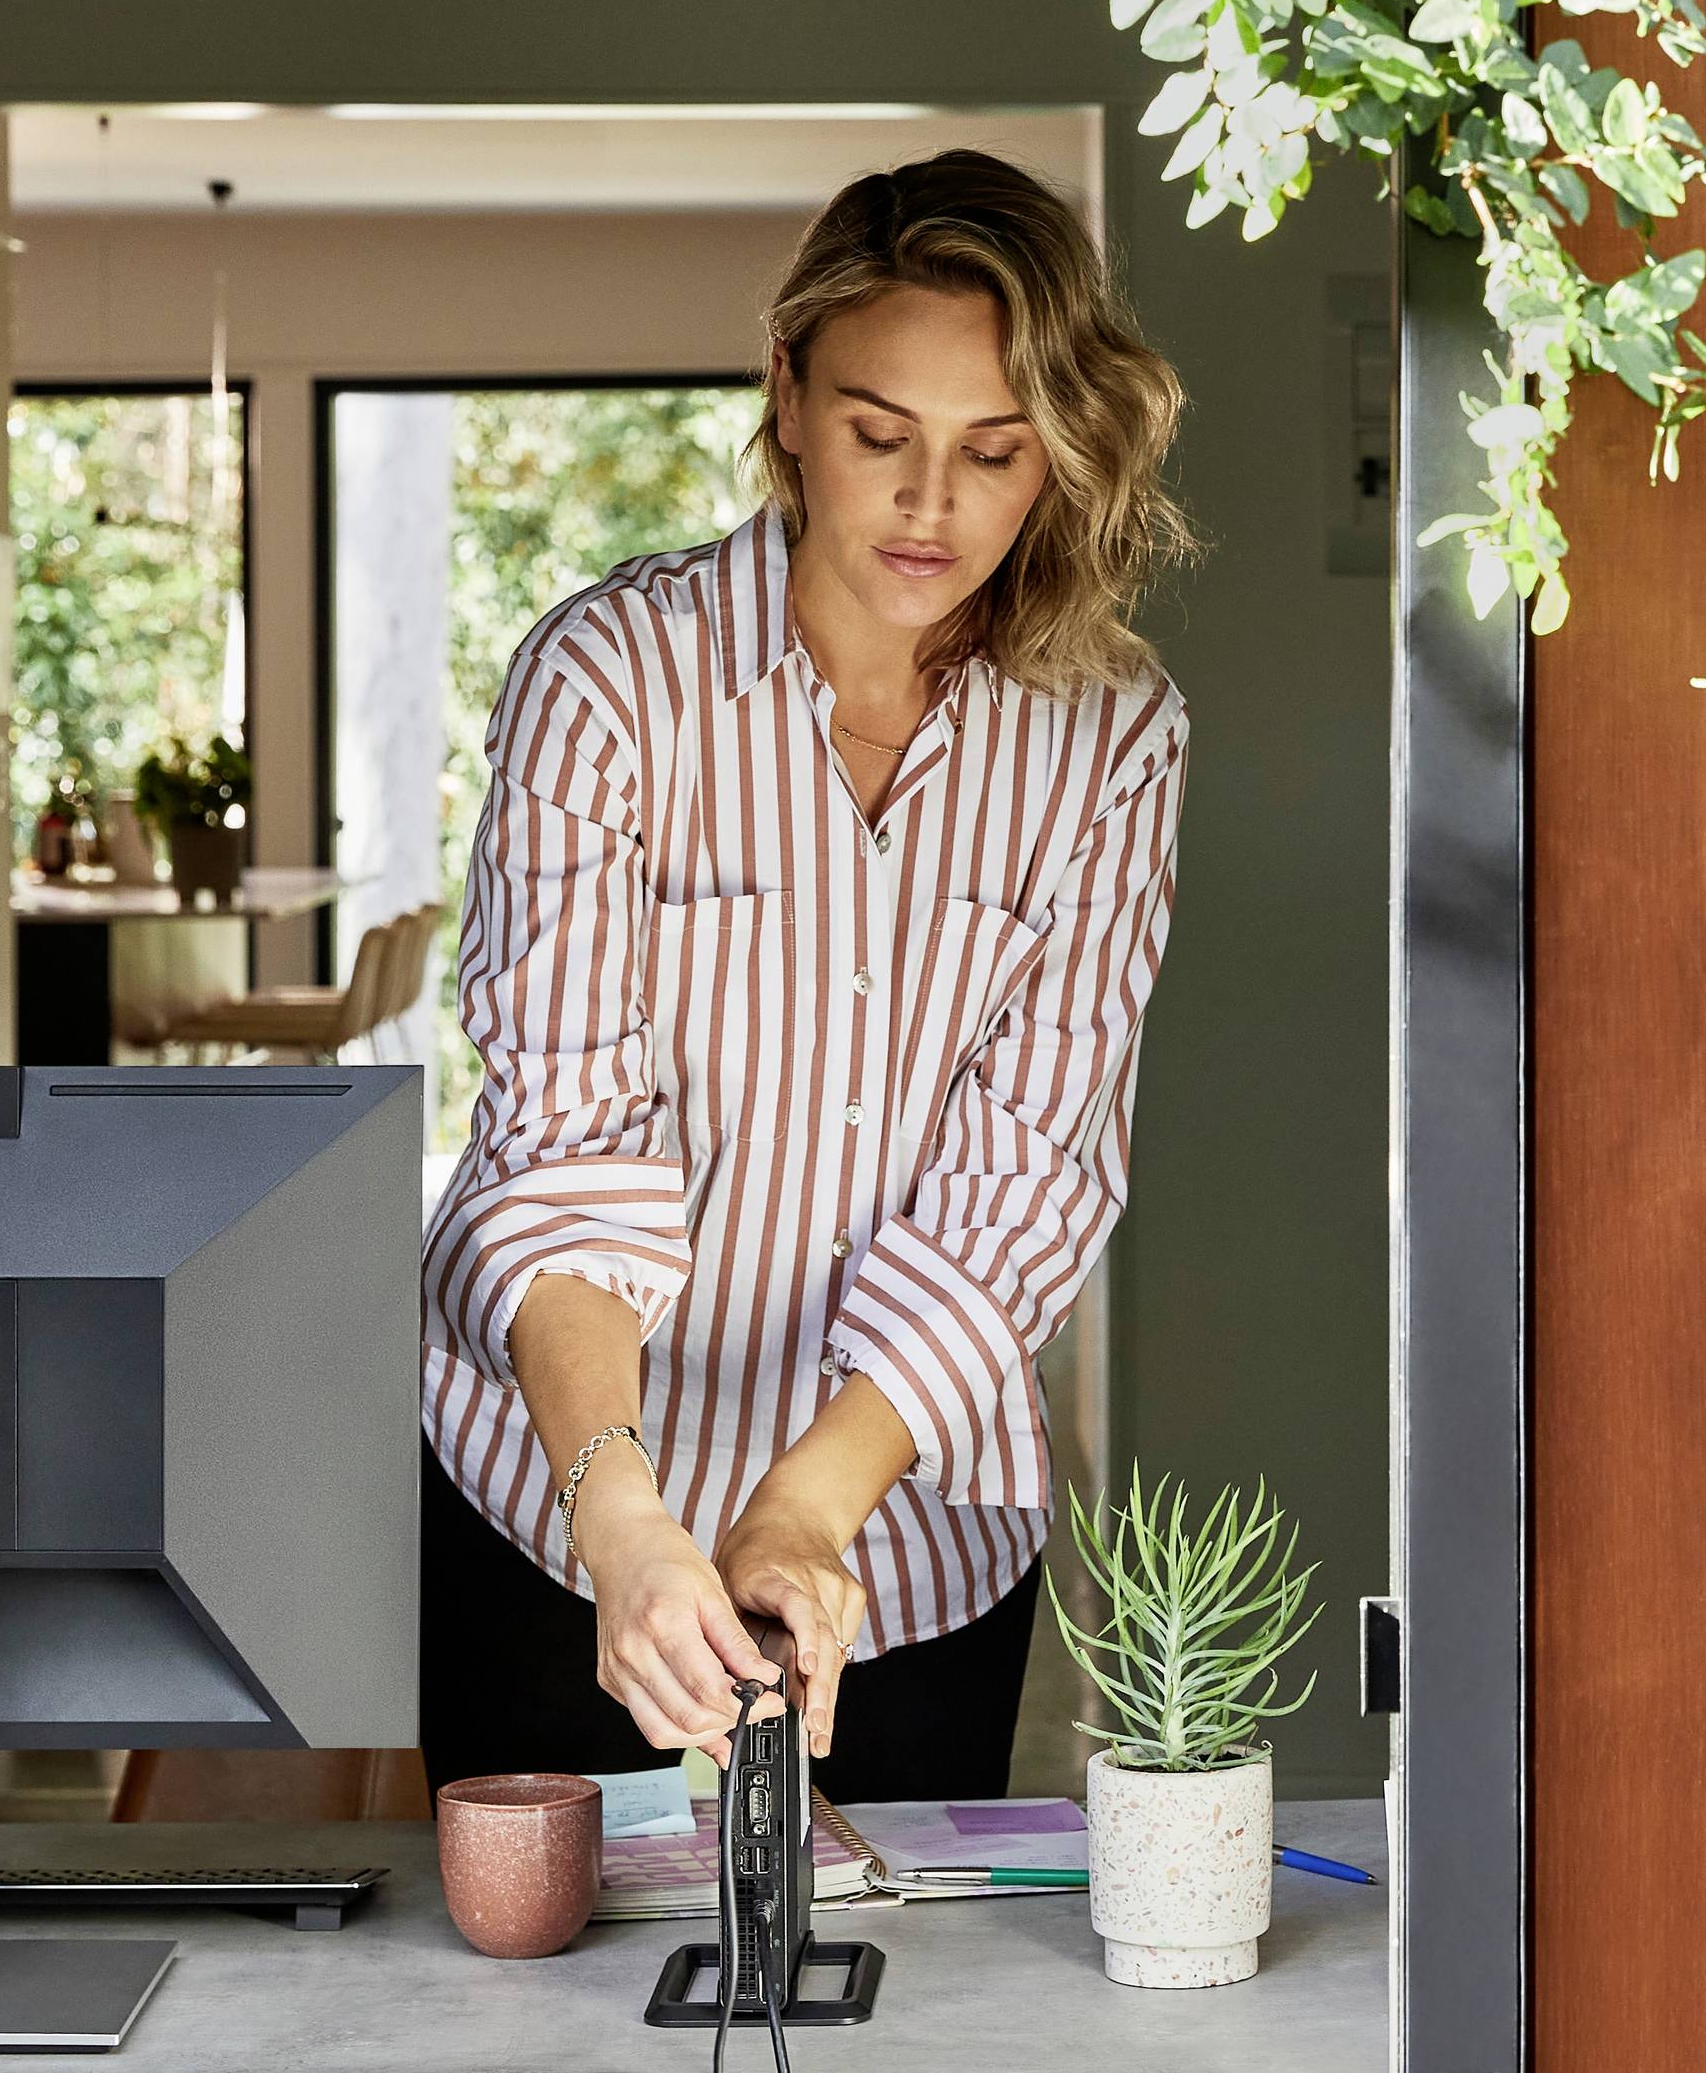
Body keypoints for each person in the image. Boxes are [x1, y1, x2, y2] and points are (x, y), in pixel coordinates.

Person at [418, 150, 1191, 1802]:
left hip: (899, 1539)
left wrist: (809, 1505)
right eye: (878, 434)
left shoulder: (1112, 739)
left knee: (901, 2006)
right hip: (560, 1513)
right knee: (526, 2017)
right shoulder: (610, 684)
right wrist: (624, 1510)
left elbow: (1031, 1170)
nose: (933, 507)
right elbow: (560, 1139)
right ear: (786, 395)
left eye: (996, 452)